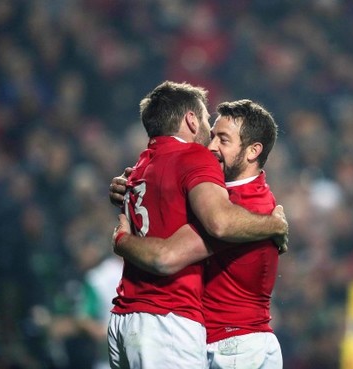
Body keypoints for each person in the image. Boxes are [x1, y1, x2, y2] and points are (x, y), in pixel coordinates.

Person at [107, 82, 288, 369]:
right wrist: (133, 187)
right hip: (229, 343)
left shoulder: (242, 209)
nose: (211, 146)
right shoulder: (220, 195)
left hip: (233, 347)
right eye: (212, 133)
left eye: (223, 140)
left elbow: (166, 256)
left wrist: (122, 240)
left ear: (253, 151)